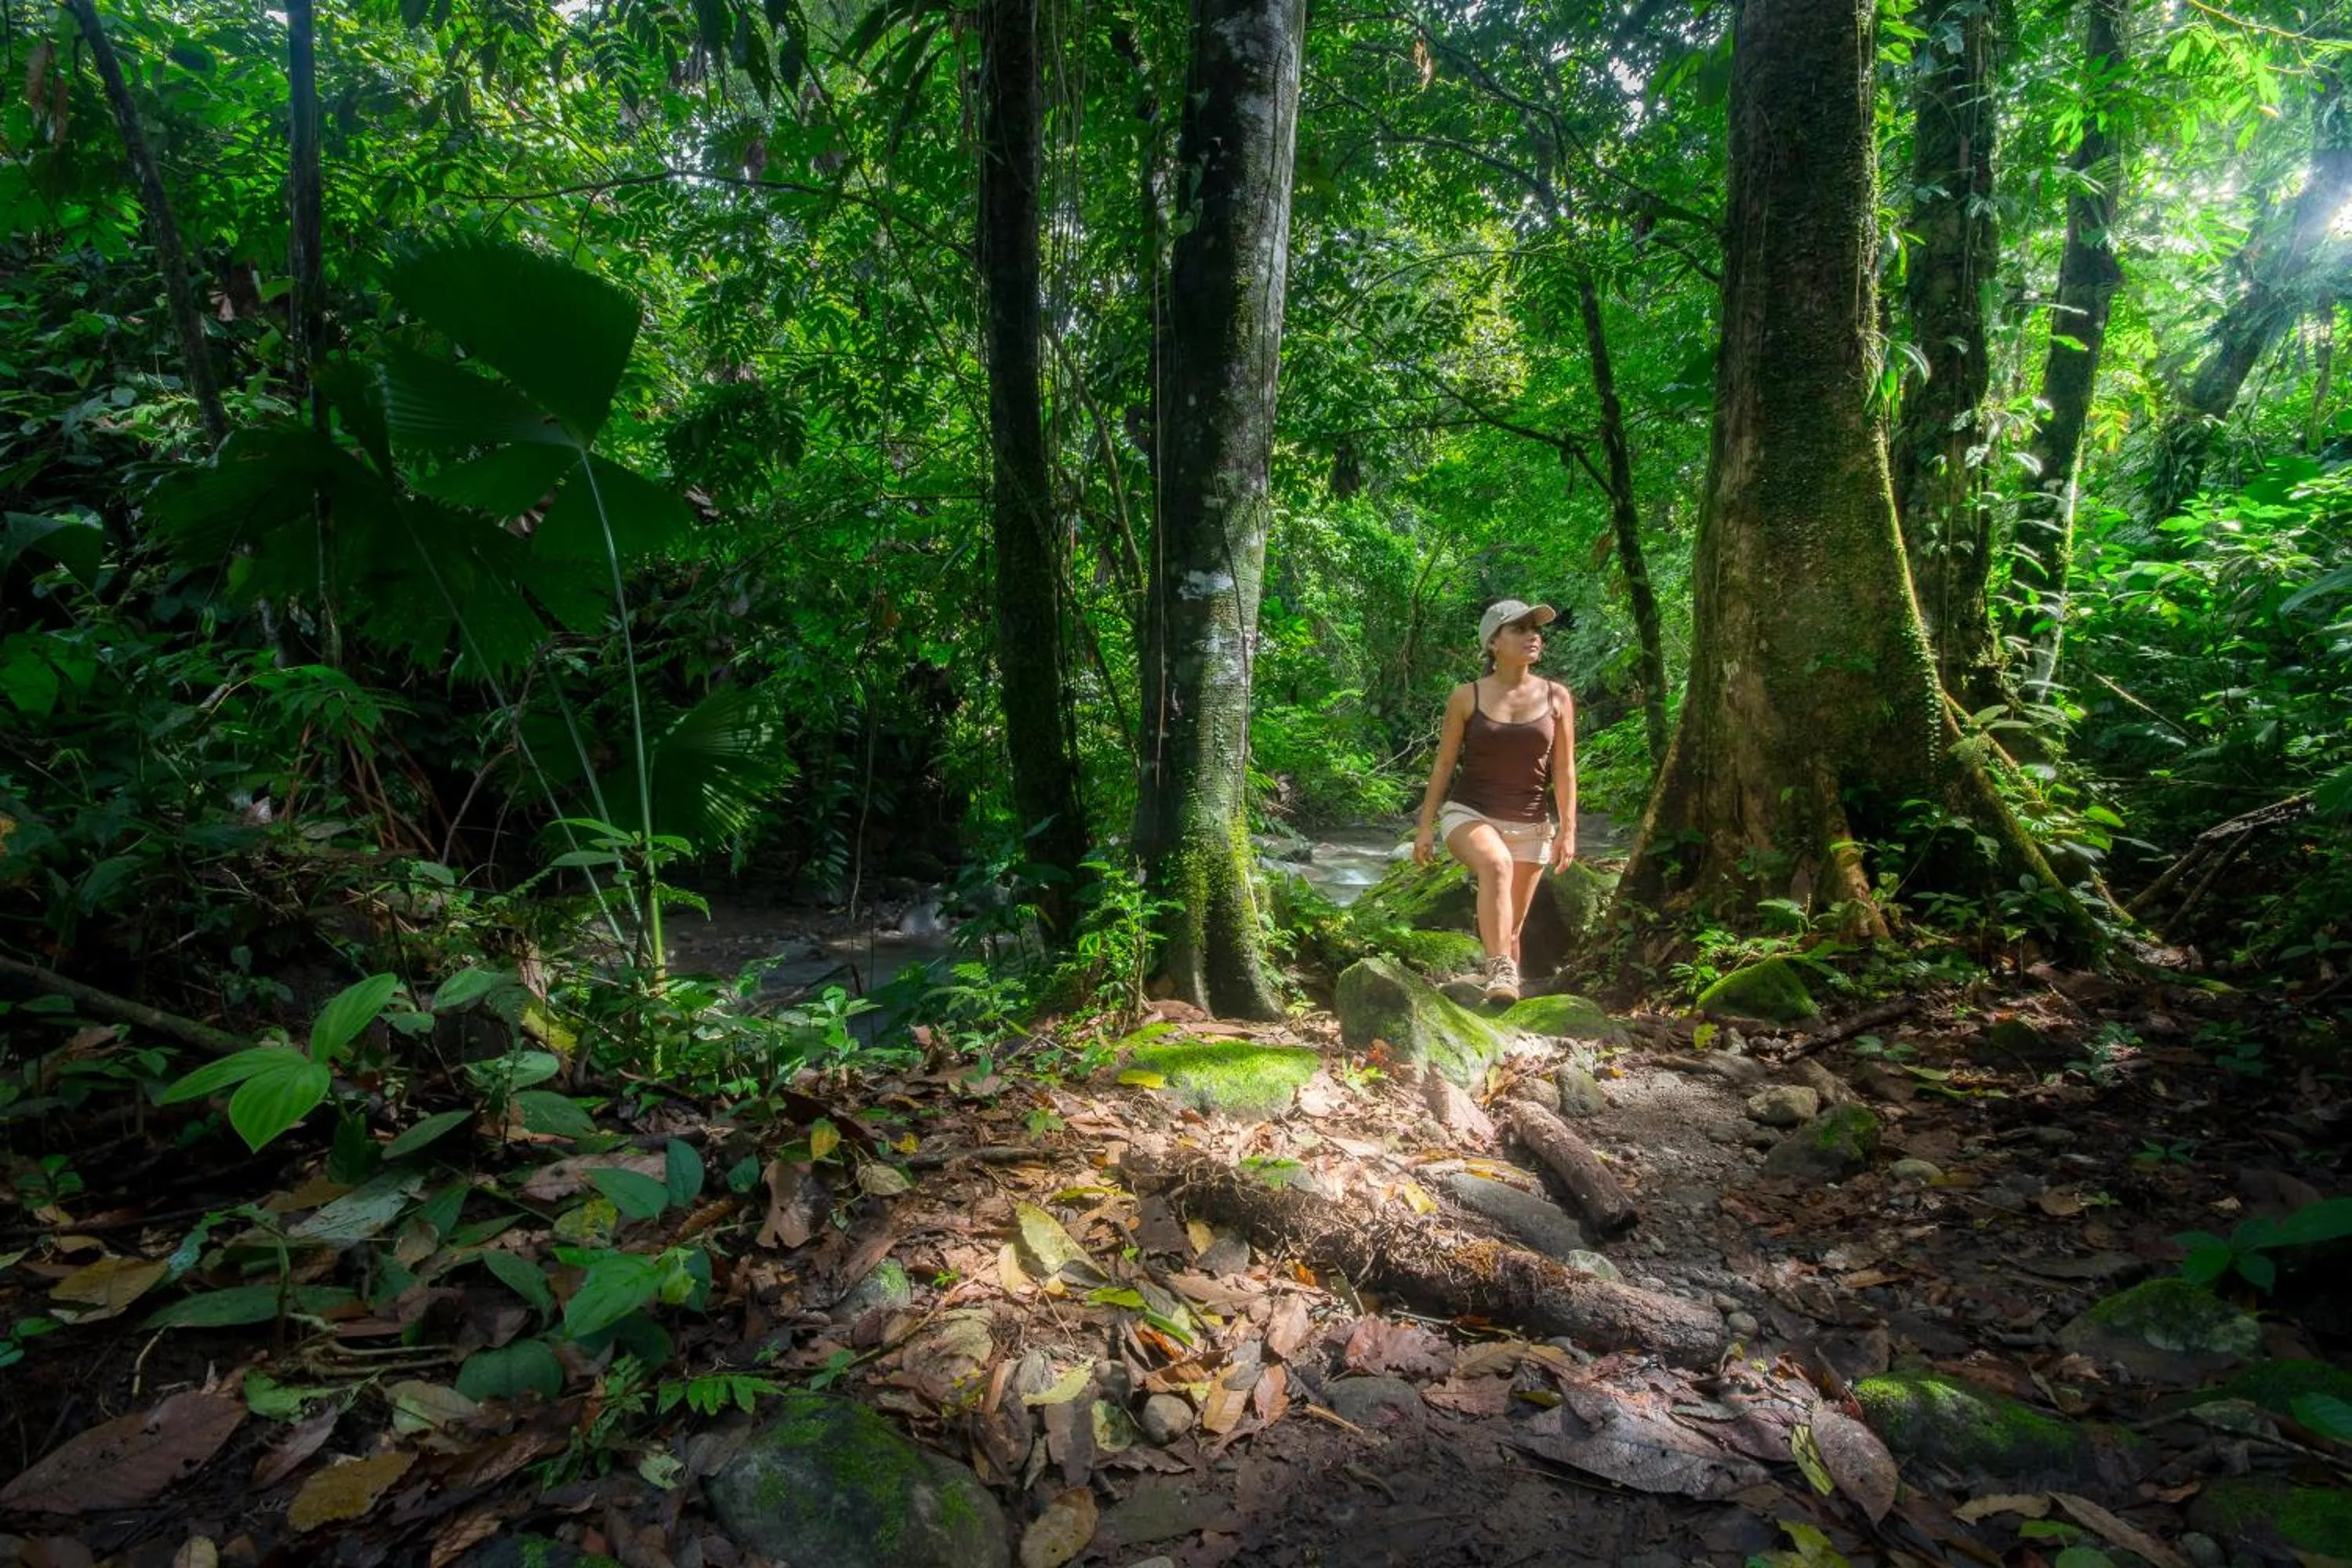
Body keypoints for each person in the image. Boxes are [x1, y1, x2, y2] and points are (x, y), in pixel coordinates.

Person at [1410, 599, 1577, 1004]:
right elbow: (1445, 764)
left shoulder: (1557, 697)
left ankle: (1501, 1018)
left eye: (1535, 629)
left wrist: (1568, 831)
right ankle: (1498, 969)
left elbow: (1565, 769)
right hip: (1470, 813)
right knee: (1496, 865)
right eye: (1519, 629)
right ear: (1493, 643)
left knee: (1512, 932)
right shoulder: (1466, 697)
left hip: (1532, 824)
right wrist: (1425, 826)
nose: (1532, 636)